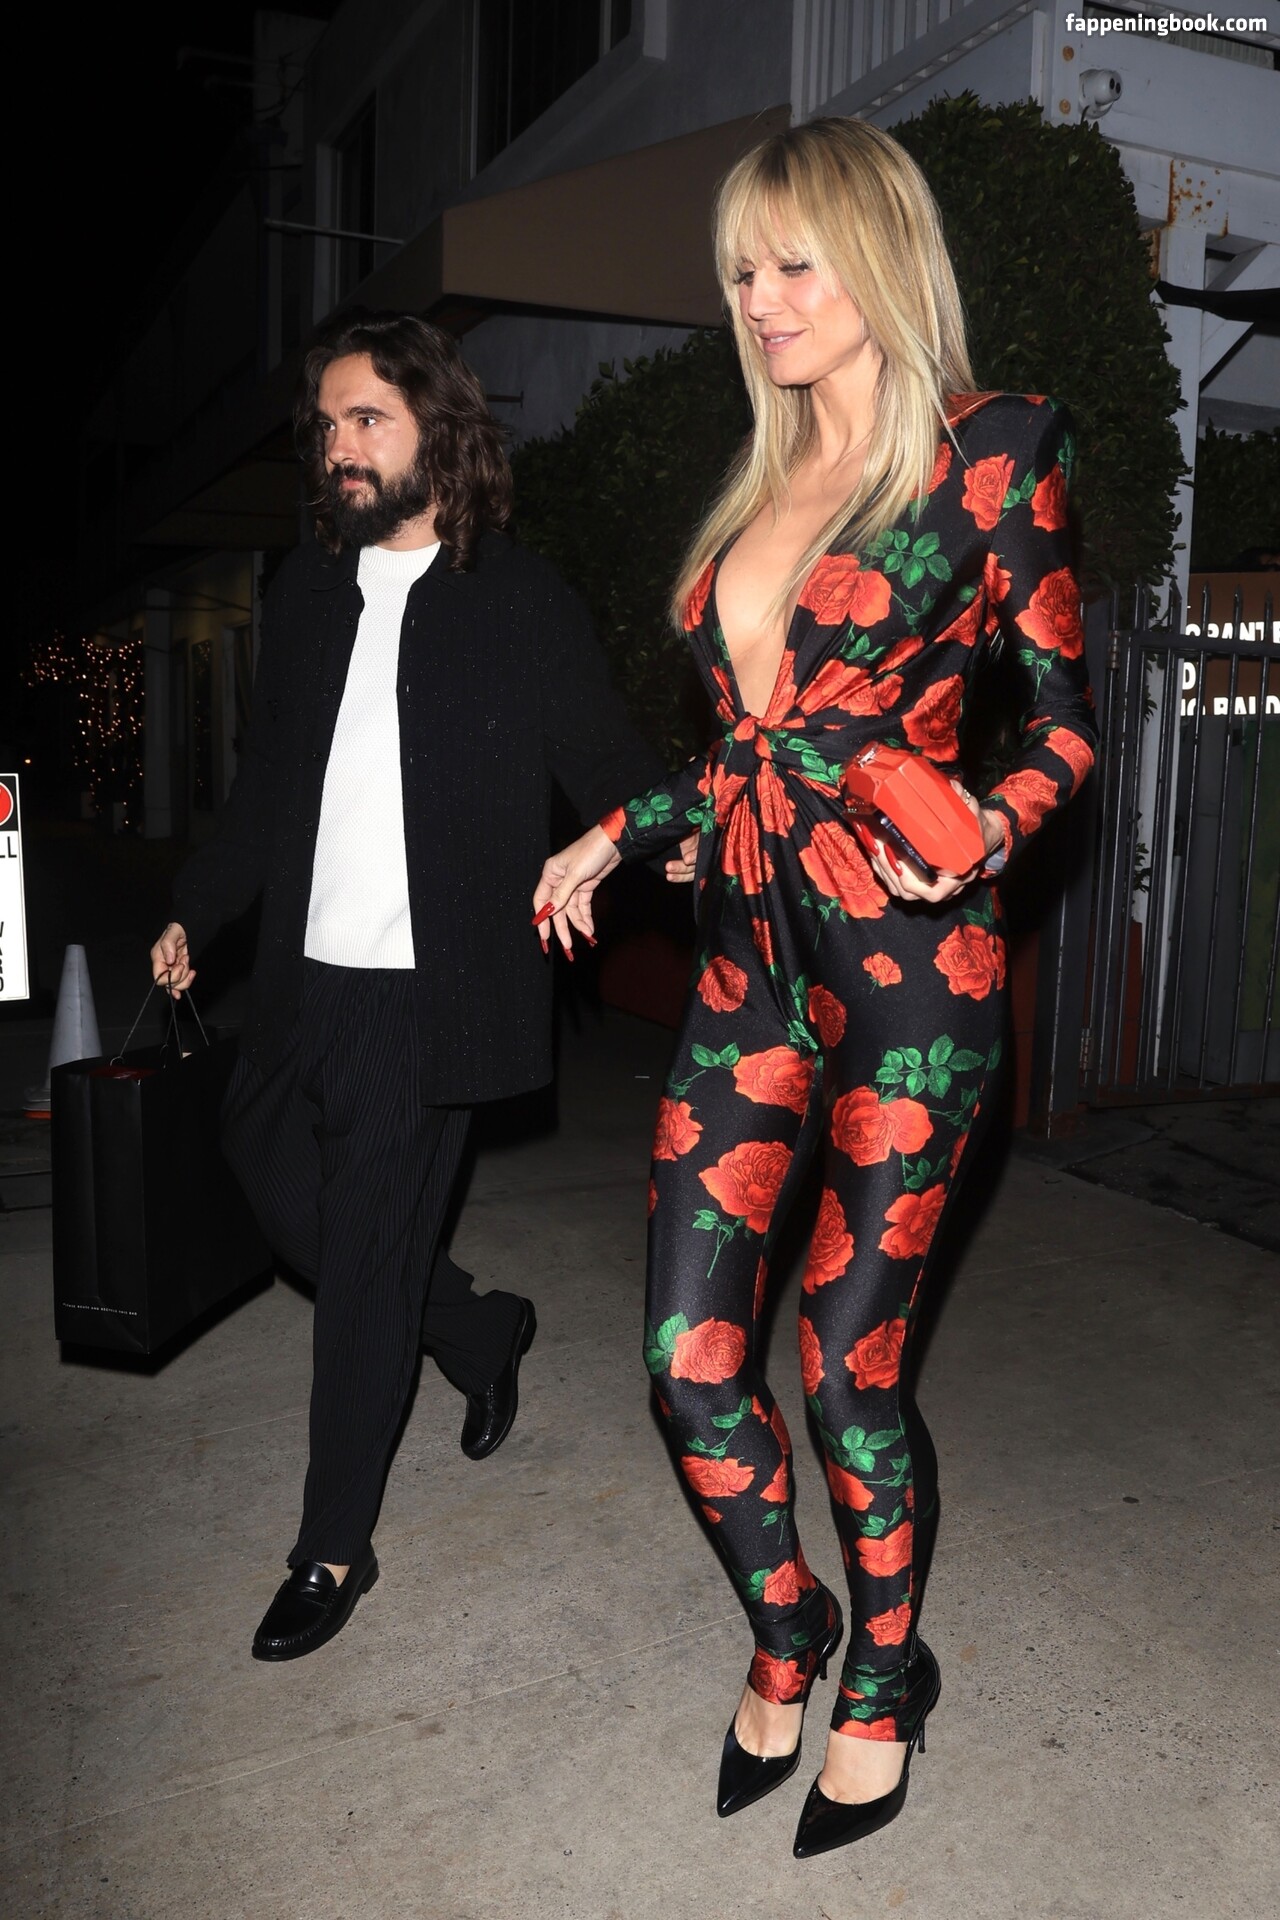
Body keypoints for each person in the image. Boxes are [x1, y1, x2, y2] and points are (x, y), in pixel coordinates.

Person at [534, 118, 1097, 1858]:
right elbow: (752, 752)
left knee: (849, 1373)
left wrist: (986, 825)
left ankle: (884, 1677)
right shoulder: (758, 490)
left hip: (916, 985)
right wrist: (616, 832)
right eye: (740, 273)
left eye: (792, 261)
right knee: (689, 1362)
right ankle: (789, 1630)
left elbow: (1068, 723)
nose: (760, 299)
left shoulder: (989, 455)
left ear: (877, 255)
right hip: (751, 975)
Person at [151, 310, 661, 1662]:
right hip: (302, 981)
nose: (340, 448)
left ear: (440, 429)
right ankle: (481, 1330)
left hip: (426, 996)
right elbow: (269, 790)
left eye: (366, 419)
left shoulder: (520, 600)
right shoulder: (309, 593)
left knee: (364, 1278)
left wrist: (635, 840)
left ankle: (332, 1548)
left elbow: (619, 771)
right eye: (326, 426)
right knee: (284, 1200)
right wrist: (199, 907)